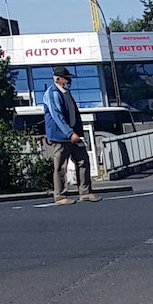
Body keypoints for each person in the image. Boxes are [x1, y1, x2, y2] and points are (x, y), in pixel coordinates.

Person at [42, 66, 96, 204]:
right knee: (60, 166)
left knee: (83, 160)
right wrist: (69, 133)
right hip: (60, 136)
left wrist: (77, 132)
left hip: (73, 134)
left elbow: (74, 114)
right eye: (66, 78)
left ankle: (85, 192)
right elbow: (57, 116)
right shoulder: (52, 93)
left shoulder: (66, 93)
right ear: (58, 79)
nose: (69, 81)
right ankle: (60, 196)